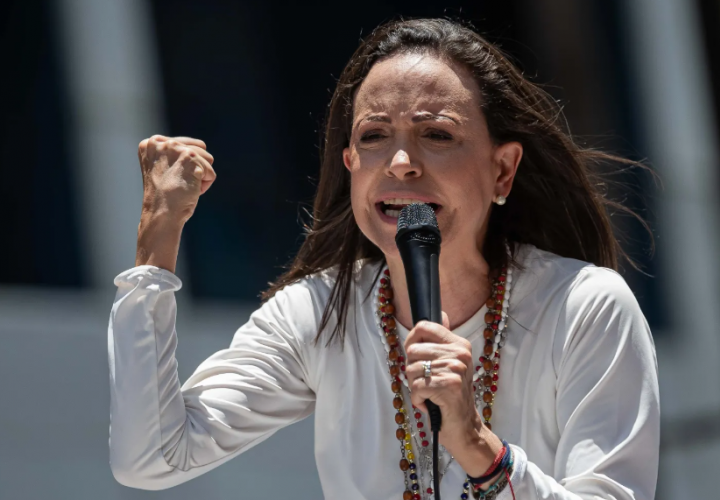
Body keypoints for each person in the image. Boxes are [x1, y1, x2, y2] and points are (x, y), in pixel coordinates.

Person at [108, 18, 659, 500]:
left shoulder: (585, 306)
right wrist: (157, 239)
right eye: (374, 136)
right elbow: (151, 457)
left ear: (502, 171)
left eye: (436, 134)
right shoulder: (318, 312)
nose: (400, 162)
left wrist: (478, 447)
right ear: (350, 164)